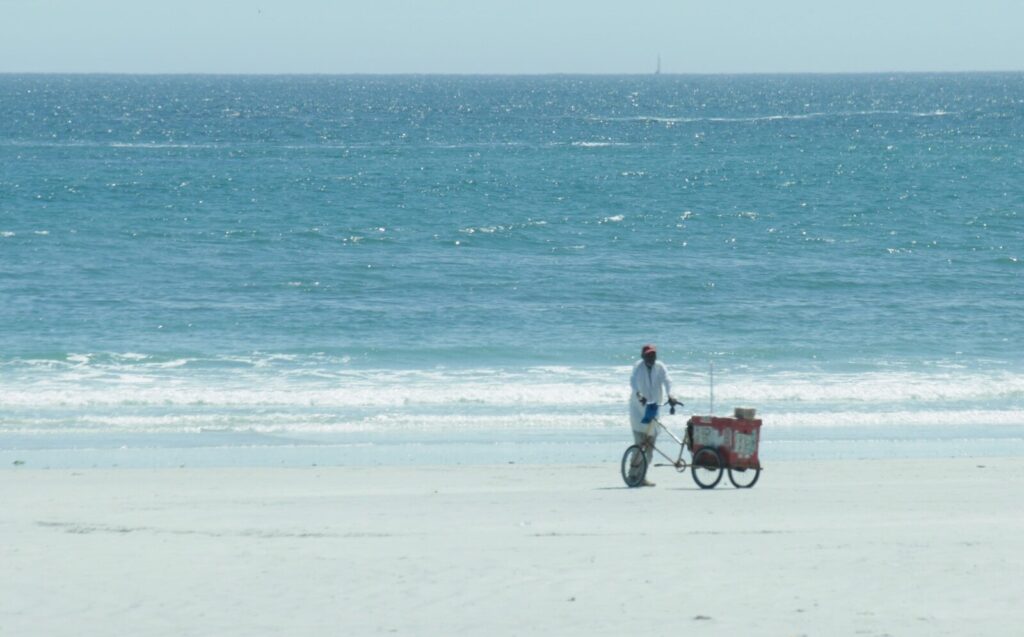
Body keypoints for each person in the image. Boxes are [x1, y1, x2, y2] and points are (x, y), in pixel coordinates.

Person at [628, 344, 680, 487]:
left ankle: (642, 477)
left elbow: (668, 381)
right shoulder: (638, 367)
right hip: (638, 411)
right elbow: (633, 382)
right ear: (643, 356)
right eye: (648, 355)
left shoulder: (660, 367)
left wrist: (671, 396)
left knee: (650, 447)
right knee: (640, 444)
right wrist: (639, 394)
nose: (651, 357)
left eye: (653, 355)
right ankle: (632, 475)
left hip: (653, 411)